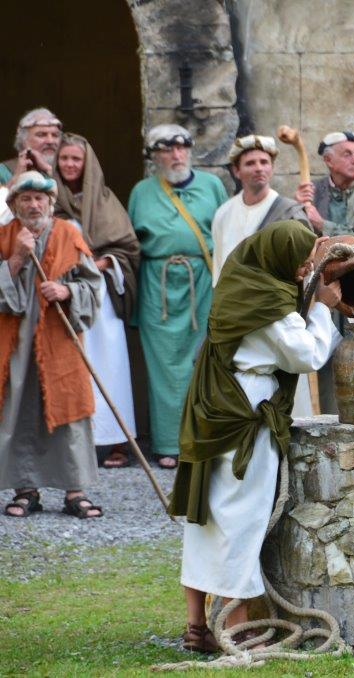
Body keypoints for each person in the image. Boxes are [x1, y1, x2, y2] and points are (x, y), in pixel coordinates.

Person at [169, 221, 342, 652]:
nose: (303, 272)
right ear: (277, 256)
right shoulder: (268, 305)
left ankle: (197, 625)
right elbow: (306, 354)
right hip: (244, 413)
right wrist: (322, 308)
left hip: (215, 407)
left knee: (207, 515)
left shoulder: (241, 282)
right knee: (240, 521)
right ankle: (239, 630)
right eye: (300, 262)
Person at [0, 172, 103, 519]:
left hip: (60, 338)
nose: (34, 205)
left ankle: (75, 491)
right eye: (26, 199)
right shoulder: (4, 236)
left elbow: (93, 286)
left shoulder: (68, 234)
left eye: (39, 198)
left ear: (50, 203)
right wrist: (16, 258)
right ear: (14, 204)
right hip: (15, 341)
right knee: (19, 407)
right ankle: (25, 490)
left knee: (70, 405)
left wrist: (67, 291)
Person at [128, 124, 228, 469]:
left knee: (204, 360)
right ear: (154, 156)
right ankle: (168, 443)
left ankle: (201, 438)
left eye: (182, 147)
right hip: (158, 285)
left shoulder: (212, 186)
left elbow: (227, 233)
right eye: (167, 149)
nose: (176, 155)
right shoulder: (141, 191)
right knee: (164, 367)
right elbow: (130, 243)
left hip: (202, 280)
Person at [54, 133, 141, 469]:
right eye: (64, 158)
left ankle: (117, 440)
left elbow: (128, 248)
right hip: (62, 294)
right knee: (69, 364)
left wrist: (99, 263)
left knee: (109, 363)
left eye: (76, 159)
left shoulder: (105, 201)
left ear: (87, 163)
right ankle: (72, 443)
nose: (70, 164)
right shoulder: (48, 198)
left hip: (100, 297)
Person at [211, 134, 307, 284]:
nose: (259, 168)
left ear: (272, 168)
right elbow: (218, 268)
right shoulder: (223, 213)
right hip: (232, 296)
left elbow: (305, 271)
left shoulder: (289, 213)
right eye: (250, 163)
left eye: (264, 162)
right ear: (237, 171)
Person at [294, 131, 354, 238]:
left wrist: (323, 225)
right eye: (347, 154)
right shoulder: (312, 190)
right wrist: (297, 208)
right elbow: (299, 234)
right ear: (328, 160)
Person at [2, 108, 63, 184]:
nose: (50, 141)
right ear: (23, 140)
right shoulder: (3, 172)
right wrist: (16, 178)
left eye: (55, 135)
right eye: (41, 135)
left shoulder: (69, 169)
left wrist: (49, 170)